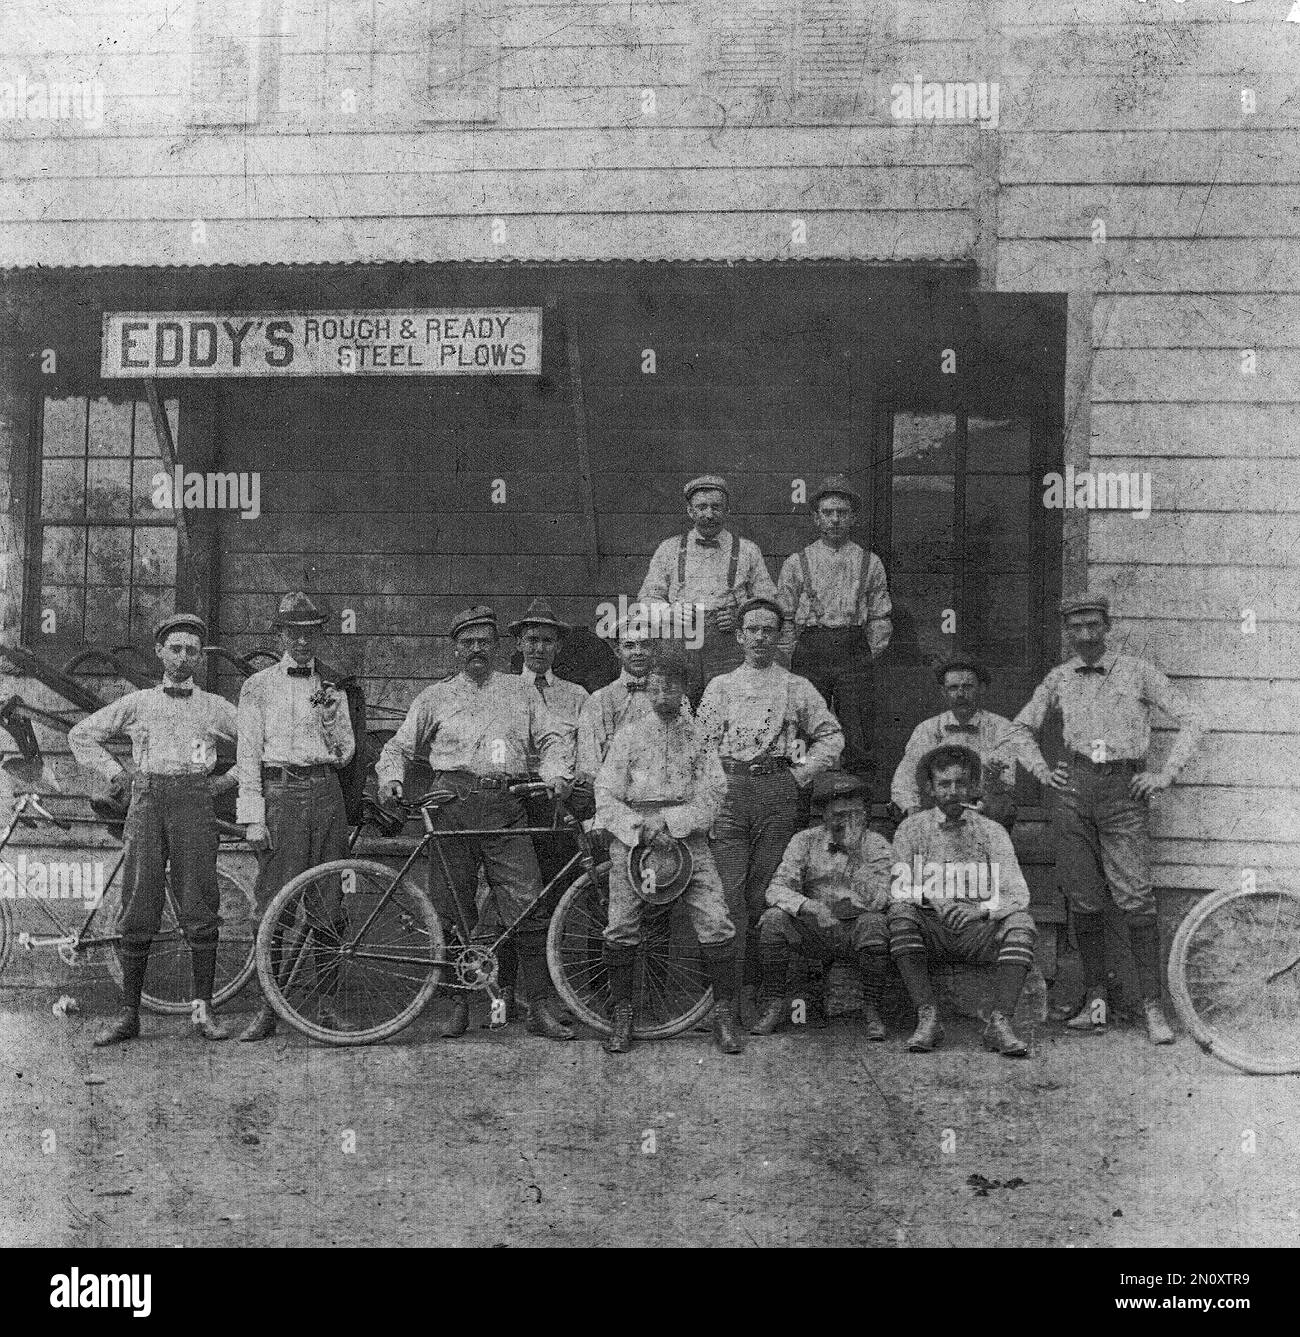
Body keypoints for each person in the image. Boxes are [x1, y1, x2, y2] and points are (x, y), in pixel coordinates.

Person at [1011, 592, 1206, 1045]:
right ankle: (1095, 1002)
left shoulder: (1138, 672)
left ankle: (1152, 1007)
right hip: (1073, 790)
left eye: (1092, 625)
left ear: (1107, 625)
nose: (1084, 635)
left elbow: (1195, 719)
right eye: (1075, 626)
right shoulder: (1059, 678)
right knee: (1084, 900)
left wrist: (1163, 775)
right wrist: (1043, 770)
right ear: (1067, 631)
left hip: (1123, 791)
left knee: (1135, 899)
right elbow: (1019, 728)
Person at [377, 605, 575, 1040]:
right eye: (468, 643)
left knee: (527, 900)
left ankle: (539, 1005)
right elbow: (397, 748)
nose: (477, 650)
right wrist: (390, 780)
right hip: (451, 806)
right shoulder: (434, 698)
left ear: (498, 646)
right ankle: (455, 1006)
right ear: (455, 650)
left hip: (505, 805)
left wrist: (556, 772)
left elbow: (553, 738)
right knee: (451, 909)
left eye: (485, 642)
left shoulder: (520, 693)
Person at [68, 613, 238, 1045]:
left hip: (195, 803)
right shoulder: (139, 702)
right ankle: (128, 1014)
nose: (183, 657)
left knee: (199, 899)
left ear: (201, 657)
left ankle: (202, 1010)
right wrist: (116, 774)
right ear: (160, 652)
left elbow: (259, 744)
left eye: (192, 650)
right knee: (139, 899)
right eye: (175, 648)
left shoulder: (216, 707)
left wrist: (226, 781)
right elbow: (81, 735)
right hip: (146, 801)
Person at [595, 646, 742, 1055]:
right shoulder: (628, 736)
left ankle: (724, 1013)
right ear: (645, 691)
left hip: (689, 840)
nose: (662, 697)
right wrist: (640, 830)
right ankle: (622, 1013)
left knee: (716, 921)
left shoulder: (698, 738)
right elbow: (605, 795)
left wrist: (674, 824)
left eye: (670, 688)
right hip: (634, 842)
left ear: (684, 690)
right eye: (654, 688)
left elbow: (715, 792)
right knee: (621, 925)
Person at [697, 596, 843, 1004]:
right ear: (740, 636)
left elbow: (832, 737)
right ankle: (726, 998)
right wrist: (716, 788)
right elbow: (702, 747)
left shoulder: (797, 687)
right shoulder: (721, 687)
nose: (760, 637)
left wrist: (798, 775)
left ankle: (761, 991)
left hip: (777, 791)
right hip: (730, 791)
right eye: (752, 630)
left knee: (764, 893)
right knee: (727, 894)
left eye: (769, 630)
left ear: (781, 637)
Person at [235, 592, 355, 1041]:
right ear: (280, 634)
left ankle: (326, 1006)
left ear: (319, 634)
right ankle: (268, 1005)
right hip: (279, 792)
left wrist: (328, 718)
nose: (302, 641)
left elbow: (344, 755)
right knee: (275, 903)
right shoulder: (258, 686)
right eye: (294, 633)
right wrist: (253, 815)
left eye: (311, 632)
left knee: (328, 902)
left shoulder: (333, 684)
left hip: (325, 791)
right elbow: (248, 755)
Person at [888, 745, 1039, 1058]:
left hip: (977, 930)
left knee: (1021, 922)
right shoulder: (911, 829)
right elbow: (899, 887)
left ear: (973, 787)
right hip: (932, 927)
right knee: (901, 913)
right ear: (930, 788)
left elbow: (1017, 893)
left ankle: (999, 1023)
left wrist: (979, 909)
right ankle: (928, 1018)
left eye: (960, 784)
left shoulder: (992, 831)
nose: (953, 792)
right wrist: (935, 898)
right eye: (944, 784)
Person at [751, 773, 893, 1040]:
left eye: (854, 814)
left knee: (875, 924)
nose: (845, 821)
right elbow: (776, 888)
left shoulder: (876, 844)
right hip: (815, 927)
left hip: (855, 929)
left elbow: (882, 898)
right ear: (825, 816)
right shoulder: (804, 841)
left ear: (864, 815)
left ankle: (872, 1009)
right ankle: (774, 1003)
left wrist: (854, 856)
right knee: (773, 920)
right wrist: (811, 907)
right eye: (838, 814)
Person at [505, 597, 590, 1022]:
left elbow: (585, 751)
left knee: (561, 891)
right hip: (517, 803)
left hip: (559, 804)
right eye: (532, 640)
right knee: (512, 895)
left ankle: (557, 994)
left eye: (548, 641)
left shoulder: (576, 696)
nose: (539, 649)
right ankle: (504, 992)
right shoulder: (502, 690)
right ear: (519, 644)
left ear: (558, 648)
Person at [776, 474, 892, 779]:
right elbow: (784, 617)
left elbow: (880, 617)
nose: (835, 520)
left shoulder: (870, 562)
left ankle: (861, 804)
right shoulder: (797, 562)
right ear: (816, 518)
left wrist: (868, 653)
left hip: (853, 650)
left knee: (858, 731)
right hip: (810, 649)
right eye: (828, 513)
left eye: (842, 513)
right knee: (802, 728)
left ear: (853, 517)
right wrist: (793, 654)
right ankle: (800, 805)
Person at [638, 474, 778, 706]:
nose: (709, 514)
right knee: (681, 708)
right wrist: (669, 612)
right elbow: (646, 597)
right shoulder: (669, 548)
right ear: (690, 512)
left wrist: (741, 616)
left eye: (716, 507)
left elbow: (768, 601)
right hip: (680, 643)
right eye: (701, 507)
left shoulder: (748, 550)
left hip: (728, 646)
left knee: (731, 708)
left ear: (727, 511)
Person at [889, 652, 1041, 830]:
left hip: (979, 806)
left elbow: (1005, 783)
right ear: (943, 692)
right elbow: (904, 777)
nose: (960, 694)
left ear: (982, 688)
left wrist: (989, 779)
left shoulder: (1002, 728)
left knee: (1001, 806)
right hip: (937, 806)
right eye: (953, 688)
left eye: (968, 687)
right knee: (901, 809)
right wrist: (911, 809)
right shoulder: (927, 729)